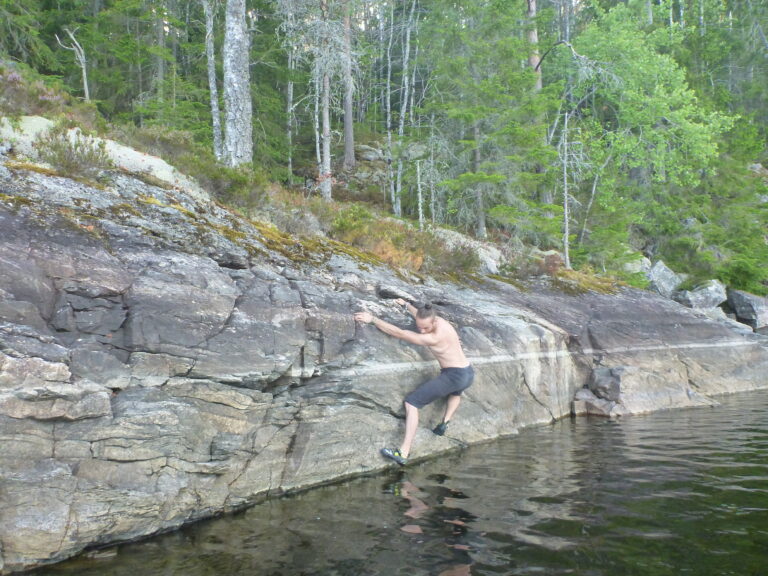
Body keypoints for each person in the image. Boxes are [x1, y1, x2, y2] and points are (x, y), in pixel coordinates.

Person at [353, 299, 474, 466]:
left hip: (454, 375)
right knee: (456, 392)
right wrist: (406, 305)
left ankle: (403, 451)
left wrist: (372, 319)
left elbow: (400, 333)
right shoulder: (442, 322)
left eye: (426, 328)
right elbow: (420, 315)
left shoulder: (433, 337)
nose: (422, 331)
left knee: (412, 403)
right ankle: (445, 421)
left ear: (434, 322)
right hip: (468, 372)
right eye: (419, 327)